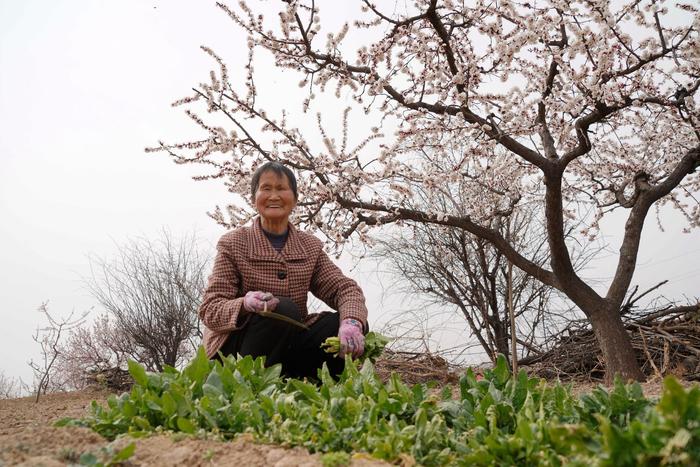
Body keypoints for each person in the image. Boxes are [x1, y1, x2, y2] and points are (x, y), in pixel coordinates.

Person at [198, 161, 368, 379]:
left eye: (281, 188)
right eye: (266, 188)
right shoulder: (233, 244)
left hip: (289, 346)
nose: (274, 196)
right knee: (282, 309)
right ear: (253, 199)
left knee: (342, 325)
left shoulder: (309, 247)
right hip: (238, 350)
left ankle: (309, 384)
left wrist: (352, 322)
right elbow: (210, 309)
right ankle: (250, 384)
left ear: (295, 199)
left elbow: (344, 289)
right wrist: (244, 304)